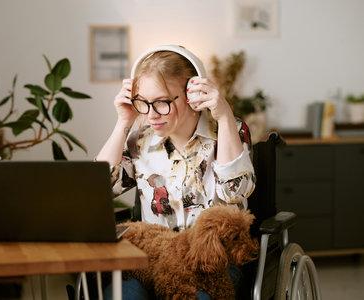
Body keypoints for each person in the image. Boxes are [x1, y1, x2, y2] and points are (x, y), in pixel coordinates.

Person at [96, 45, 255, 299]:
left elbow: (235, 191)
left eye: (161, 103)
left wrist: (224, 116)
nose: (150, 115)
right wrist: (123, 122)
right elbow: (99, 188)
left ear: (193, 93)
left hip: (211, 260)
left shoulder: (229, 130)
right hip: (153, 257)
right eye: (143, 103)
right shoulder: (140, 140)